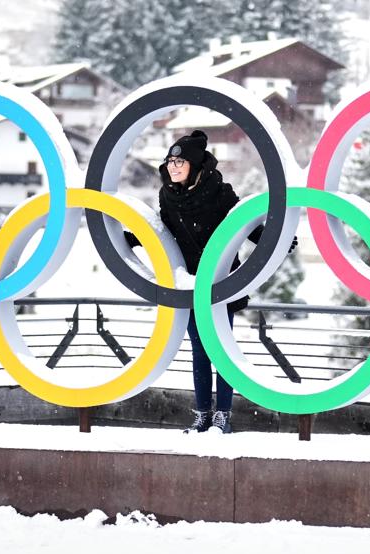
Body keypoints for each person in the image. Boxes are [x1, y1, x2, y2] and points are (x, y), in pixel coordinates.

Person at [126, 131, 295, 434]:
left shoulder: (219, 190)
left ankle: (223, 416)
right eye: (170, 161)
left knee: (221, 348)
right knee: (199, 348)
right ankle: (203, 414)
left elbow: (241, 222)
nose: (173, 167)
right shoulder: (168, 194)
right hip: (190, 282)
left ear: (194, 164)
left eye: (179, 161)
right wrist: (136, 239)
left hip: (220, 284)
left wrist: (274, 240)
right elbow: (165, 230)